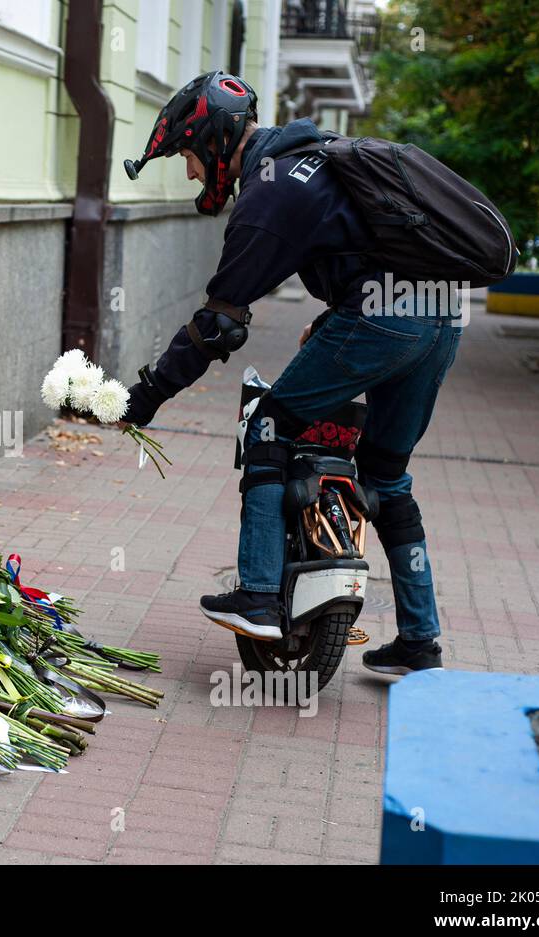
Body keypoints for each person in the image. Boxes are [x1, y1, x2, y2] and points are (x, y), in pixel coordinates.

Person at [121, 71, 460, 675]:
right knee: (386, 474)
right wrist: (337, 314)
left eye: (190, 157)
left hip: (382, 322)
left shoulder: (270, 193)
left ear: (219, 140)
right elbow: (367, 246)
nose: (192, 173)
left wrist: (144, 397)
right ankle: (419, 641)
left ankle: (256, 597)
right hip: (440, 317)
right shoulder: (316, 155)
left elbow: (218, 325)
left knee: (268, 431)